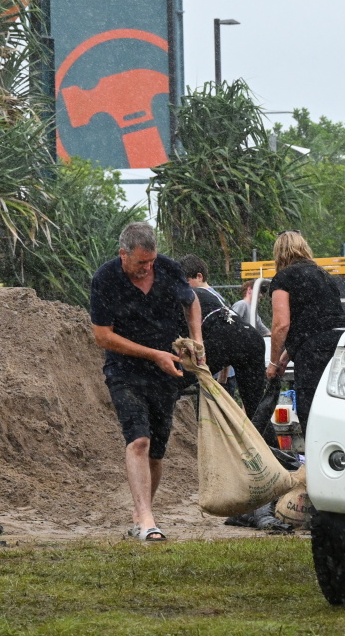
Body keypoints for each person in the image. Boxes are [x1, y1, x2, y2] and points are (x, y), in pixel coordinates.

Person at [88, 223, 202, 543]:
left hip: (166, 372)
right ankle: (147, 520)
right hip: (124, 371)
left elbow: (191, 301)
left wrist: (196, 340)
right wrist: (153, 354)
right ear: (123, 254)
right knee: (139, 440)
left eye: (151, 261)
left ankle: (141, 516)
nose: (148, 268)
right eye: (141, 262)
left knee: (157, 451)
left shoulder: (167, 269)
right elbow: (102, 336)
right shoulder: (106, 279)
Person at [177, 254, 269, 435]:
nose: (185, 289)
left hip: (229, 342)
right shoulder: (218, 298)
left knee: (176, 378)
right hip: (252, 339)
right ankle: (272, 451)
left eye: (186, 282)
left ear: (199, 277)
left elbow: (223, 338)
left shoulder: (195, 296)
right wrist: (223, 377)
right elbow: (231, 333)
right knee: (255, 407)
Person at [267, 230, 345, 434]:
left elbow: (281, 325)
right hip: (340, 344)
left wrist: (274, 362)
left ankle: (316, 456)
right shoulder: (324, 275)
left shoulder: (284, 277)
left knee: (310, 409)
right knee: (336, 406)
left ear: (279, 253)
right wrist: (286, 356)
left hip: (314, 352)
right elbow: (317, 320)